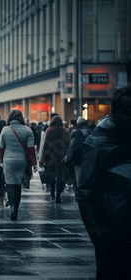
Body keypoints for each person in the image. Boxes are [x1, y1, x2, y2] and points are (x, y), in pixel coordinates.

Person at [75, 87, 131, 279]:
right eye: (127, 113)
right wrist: (97, 234)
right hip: (112, 235)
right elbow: (84, 192)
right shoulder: (97, 143)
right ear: (115, 112)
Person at [0, 110, 37, 220]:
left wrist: (1, 160)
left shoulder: (5, 130)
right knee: (18, 185)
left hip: (8, 160)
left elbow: (1, 147)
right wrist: (34, 164)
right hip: (22, 161)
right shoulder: (28, 130)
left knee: (10, 185)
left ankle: (12, 209)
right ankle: (16, 209)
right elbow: (31, 149)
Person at [39, 116, 70, 203]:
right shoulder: (65, 131)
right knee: (61, 176)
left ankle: (52, 194)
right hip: (62, 157)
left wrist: (42, 159)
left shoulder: (49, 130)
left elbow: (46, 145)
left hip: (50, 157)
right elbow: (68, 144)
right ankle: (58, 195)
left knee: (51, 176)